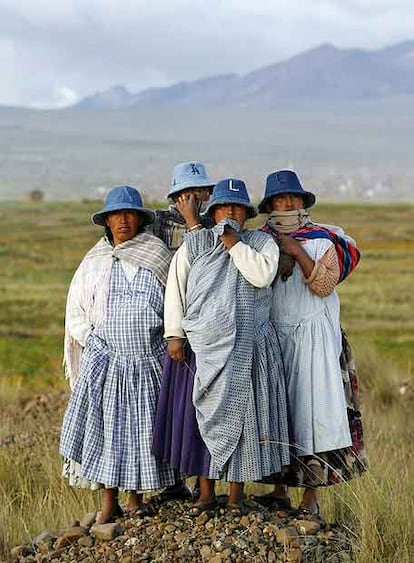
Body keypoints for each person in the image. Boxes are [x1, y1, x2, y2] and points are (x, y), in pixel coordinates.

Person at [158, 178, 290, 515]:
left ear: (246, 213)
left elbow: (261, 276)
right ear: (213, 211)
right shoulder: (196, 244)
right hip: (204, 350)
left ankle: (235, 496)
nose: (229, 212)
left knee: (244, 423)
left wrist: (233, 244)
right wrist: (175, 334)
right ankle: (205, 493)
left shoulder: (261, 243)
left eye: (237, 207)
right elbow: (177, 288)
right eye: (223, 207)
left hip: (250, 349)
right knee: (202, 418)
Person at [60, 185, 175, 524]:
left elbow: (174, 303)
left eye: (129, 214)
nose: (123, 220)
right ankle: (109, 503)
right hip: (106, 362)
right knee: (108, 430)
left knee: (142, 431)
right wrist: (94, 340)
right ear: (106, 221)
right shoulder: (93, 261)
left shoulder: (157, 254)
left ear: (139, 219)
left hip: (149, 361)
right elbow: (76, 312)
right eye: (116, 214)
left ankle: (136, 499)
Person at [254, 169, 366, 515]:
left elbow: (323, 285)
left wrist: (296, 252)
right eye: (280, 198)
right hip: (276, 335)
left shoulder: (321, 240)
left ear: (302, 201)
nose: (287, 203)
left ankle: (310, 500)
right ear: (271, 204)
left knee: (314, 413)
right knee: (279, 411)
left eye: (293, 197)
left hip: (314, 337)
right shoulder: (260, 241)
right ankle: (279, 491)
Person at [151, 161, 215, 501]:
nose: (190, 198)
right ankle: (172, 482)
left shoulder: (209, 228)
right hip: (167, 329)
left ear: (207, 193)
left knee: (199, 405)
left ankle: (207, 483)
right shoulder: (157, 223)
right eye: (183, 193)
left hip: (206, 330)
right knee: (171, 407)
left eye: (198, 191)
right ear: (174, 195)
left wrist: (194, 222)